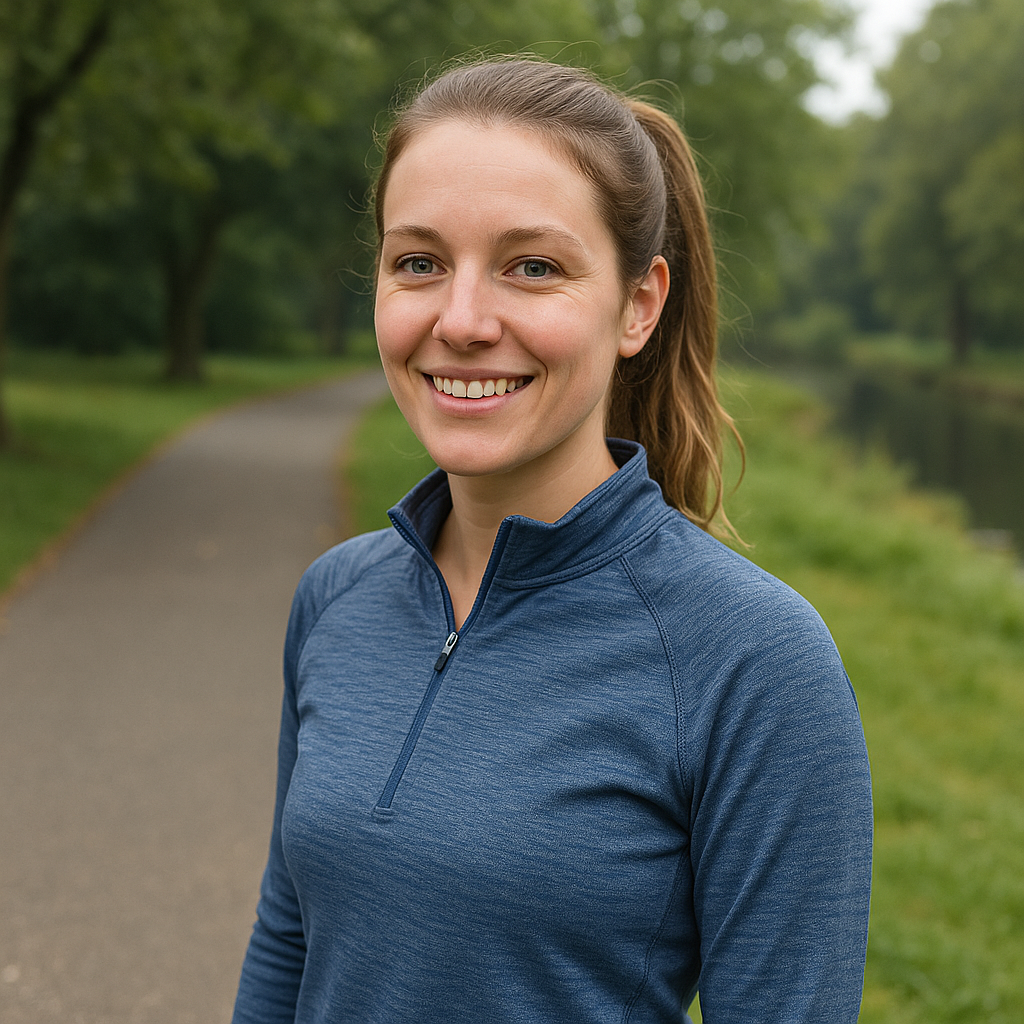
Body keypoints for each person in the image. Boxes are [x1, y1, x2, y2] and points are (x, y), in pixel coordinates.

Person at [232, 58, 872, 1024]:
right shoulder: (336, 596)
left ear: (638, 305)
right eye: (419, 263)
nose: (462, 320)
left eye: (533, 266)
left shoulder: (753, 661)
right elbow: (290, 932)